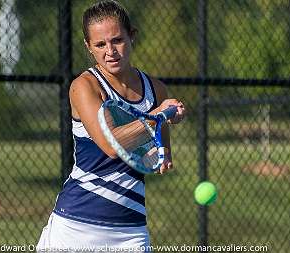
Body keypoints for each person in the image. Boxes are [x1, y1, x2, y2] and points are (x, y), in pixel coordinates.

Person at [36, 0, 185, 252]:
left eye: (117, 40)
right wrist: (157, 115)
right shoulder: (84, 86)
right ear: (88, 47)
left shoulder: (155, 89)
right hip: (75, 227)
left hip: (131, 231)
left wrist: (164, 146)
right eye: (100, 44)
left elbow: (158, 153)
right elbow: (111, 145)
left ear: (132, 36)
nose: (110, 51)